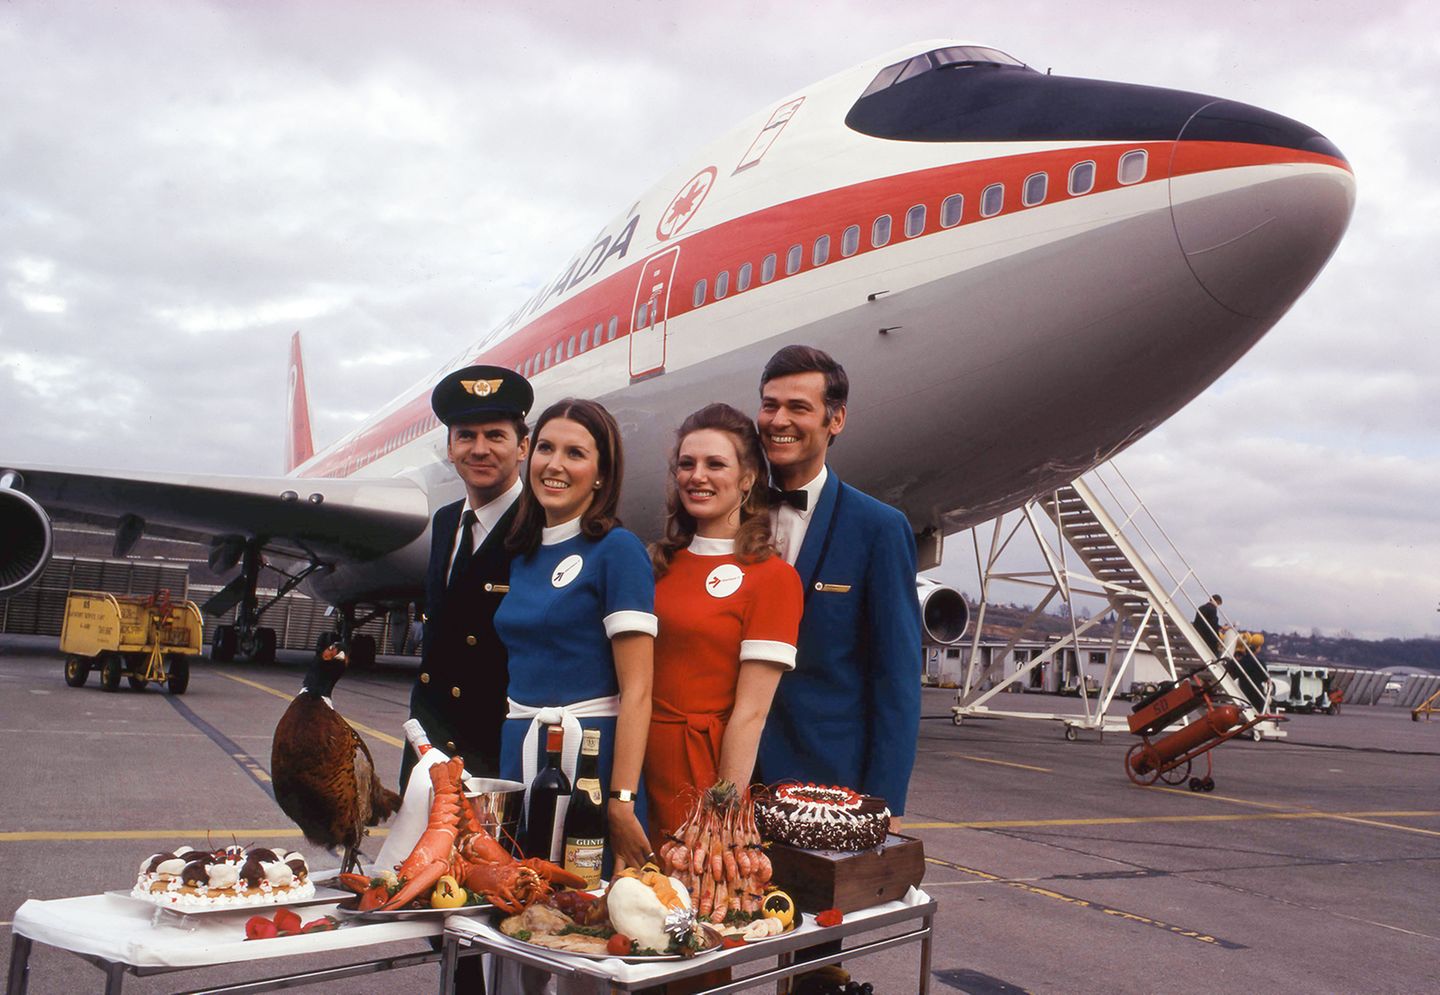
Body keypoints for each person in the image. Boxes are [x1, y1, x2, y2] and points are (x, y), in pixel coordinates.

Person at [754, 345, 923, 823]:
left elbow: (896, 677)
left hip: (826, 786)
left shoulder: (878, 528)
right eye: (770, 405)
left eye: (798, 407)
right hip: (728, 784)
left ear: (836, 420)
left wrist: (881, 804)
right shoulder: (730, 514)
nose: (779, 419)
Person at [496, 398, 656, 871]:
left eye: (576, 453)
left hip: (588, 759)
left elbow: (639, 690)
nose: (555, 464)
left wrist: (621, 798)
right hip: (521, 747)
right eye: (545, 448)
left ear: (602, 474)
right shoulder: (523, 554)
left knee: (583, 915)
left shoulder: (617, 551)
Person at [644, 403, 803, 845]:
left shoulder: (773, 578)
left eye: (716, 464)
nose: (698, 476)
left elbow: (751, 714)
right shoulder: (657, 564)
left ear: (747, 479)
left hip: (699, 773)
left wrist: (723, 810)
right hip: (633, 758)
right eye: (687, 464)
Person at [401, 365, 532, 791]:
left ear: (523, 447)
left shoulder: (539, 527)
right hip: (429, 750)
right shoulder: (444, 522)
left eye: (495, 436)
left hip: (494, 758)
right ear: (449, 447)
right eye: (466, 436)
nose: (480, 449)